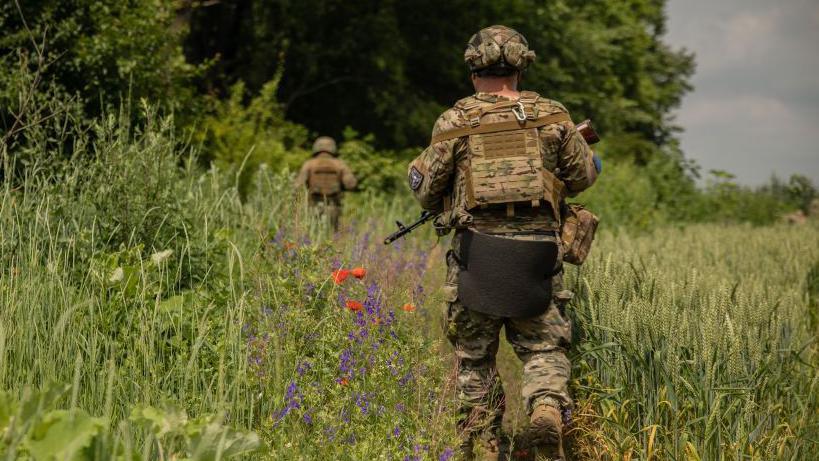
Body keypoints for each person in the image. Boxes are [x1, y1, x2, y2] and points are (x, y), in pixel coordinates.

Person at [407, 25, 599, 460]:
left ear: (473, 69)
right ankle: (546, 406)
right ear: (521, 66)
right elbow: (582, 177)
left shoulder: (456, 120)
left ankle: (485, 442)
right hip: (539, 256)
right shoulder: (552, 115)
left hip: (479, 256)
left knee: (474, 359)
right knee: (543, 348)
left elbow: (424, 189)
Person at [294, 136, 358, 231]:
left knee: (312, 236)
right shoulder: (340, 164)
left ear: (316, 147)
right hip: (334, 206)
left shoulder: (309, 164)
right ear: (332, 148)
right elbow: (351, 184)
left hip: (313, 206)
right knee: (332, 236)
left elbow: (298, 185)